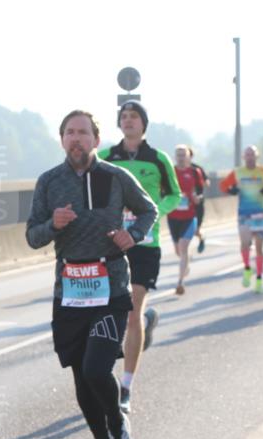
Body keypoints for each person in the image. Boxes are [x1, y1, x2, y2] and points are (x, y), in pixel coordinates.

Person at [27, 109, 156, 439]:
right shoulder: (49, 182)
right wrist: (54, 223)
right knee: (81, 379)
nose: (76, 139)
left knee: (97, 368)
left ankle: (118, 428)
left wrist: (134, 235)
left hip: (110, 288)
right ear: (62, 139)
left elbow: (148, 210)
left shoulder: (115, 177)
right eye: (69, 132)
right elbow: (32, 236)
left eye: (83, 132)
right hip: (68, 292)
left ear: (96, 140)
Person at [99, 101, 178, 413]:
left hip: (145, 242)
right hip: (111, 244)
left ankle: (126, 387)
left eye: (134, 117)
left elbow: (174, 193)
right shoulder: (105, 158)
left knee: (131, 312)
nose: (128, 120)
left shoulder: (158, 159)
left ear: (144, 124)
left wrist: (155, 214)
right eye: (124, 117)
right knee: (111, 313)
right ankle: (144, 322)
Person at [220, 146, 263, 294]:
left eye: (252, 155)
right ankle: (247, 268)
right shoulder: (238, 172)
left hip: (260, 214)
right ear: (244, 157)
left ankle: (259, 279)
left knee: (259, 248)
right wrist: (231, 190)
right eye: (247, 155)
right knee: (244, 244)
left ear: (257, 156)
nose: (250, 157)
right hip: (243, 214)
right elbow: (223, 185)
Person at [170, 145, 205, 293]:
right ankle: (186, 263)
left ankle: (180, 282)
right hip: (173, 217)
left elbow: (201, 193)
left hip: (190, 216)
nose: (180, 157)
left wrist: (197, 198)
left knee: (183, 246)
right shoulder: (170, 172)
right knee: (179, 251)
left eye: (183, 154)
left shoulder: (195, 172)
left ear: (189, 156)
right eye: (178, 154)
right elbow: (163, 190)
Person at [188, 146, 211, 253]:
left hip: (197, 204)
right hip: (183, 205)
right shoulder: (176, 169)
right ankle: (185, 250)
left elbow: (207, 182)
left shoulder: (197, 169)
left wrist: (196, 193)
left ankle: (201, 238)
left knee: (196, 229)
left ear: (190, 156)